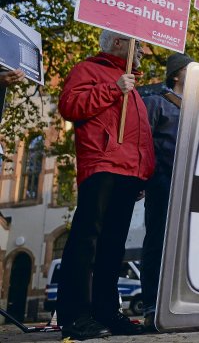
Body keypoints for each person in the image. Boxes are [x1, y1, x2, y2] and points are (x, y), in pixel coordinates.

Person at [56, 30, 155, 340]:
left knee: (113, 248)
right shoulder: (88, 70)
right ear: (117, 43)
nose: (142, 52)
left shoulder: (133, 85)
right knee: (87, 241)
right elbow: (70, 106)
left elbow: (141, 136)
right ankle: (75, 316)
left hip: (128, 173)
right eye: (137, 44)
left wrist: (143, 172)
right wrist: (113, 89)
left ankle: (106, 312)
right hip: (101, 165)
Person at [140, 53, 193, 330]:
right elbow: (143, 145)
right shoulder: (156, 104)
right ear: (175, 75)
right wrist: (141, 180)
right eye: (189, 68)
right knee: (157, 244)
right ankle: (152, 305)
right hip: (162, 185)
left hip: (190, 188)